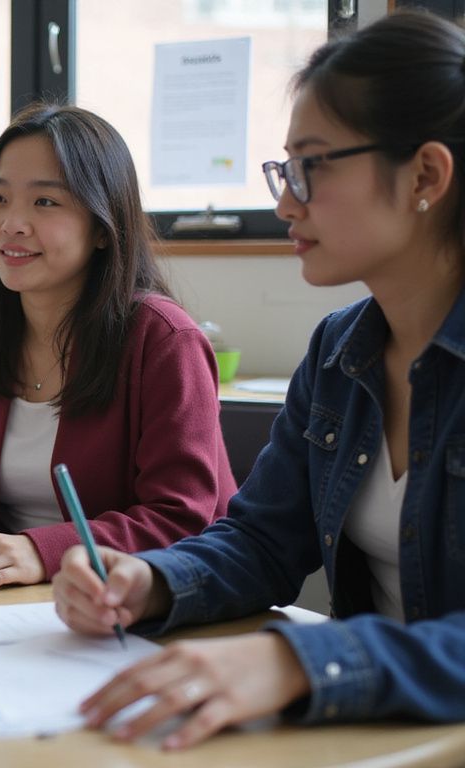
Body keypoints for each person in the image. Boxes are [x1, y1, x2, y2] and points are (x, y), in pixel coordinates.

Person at [52, 9, 465, 750]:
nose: (284, 202)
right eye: (285, 169)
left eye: (312, 166)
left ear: (426, 176)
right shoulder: (341, 351)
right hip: (379, 732)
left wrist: (297, 661)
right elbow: (263, 541)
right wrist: (153, 581)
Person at [0, 104, 234, 590]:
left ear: (101, 225)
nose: (11, 224)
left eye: (45, 202)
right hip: (6, 608)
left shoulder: (163, 341)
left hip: (141, 607)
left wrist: (42, 550)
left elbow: (181, 517)